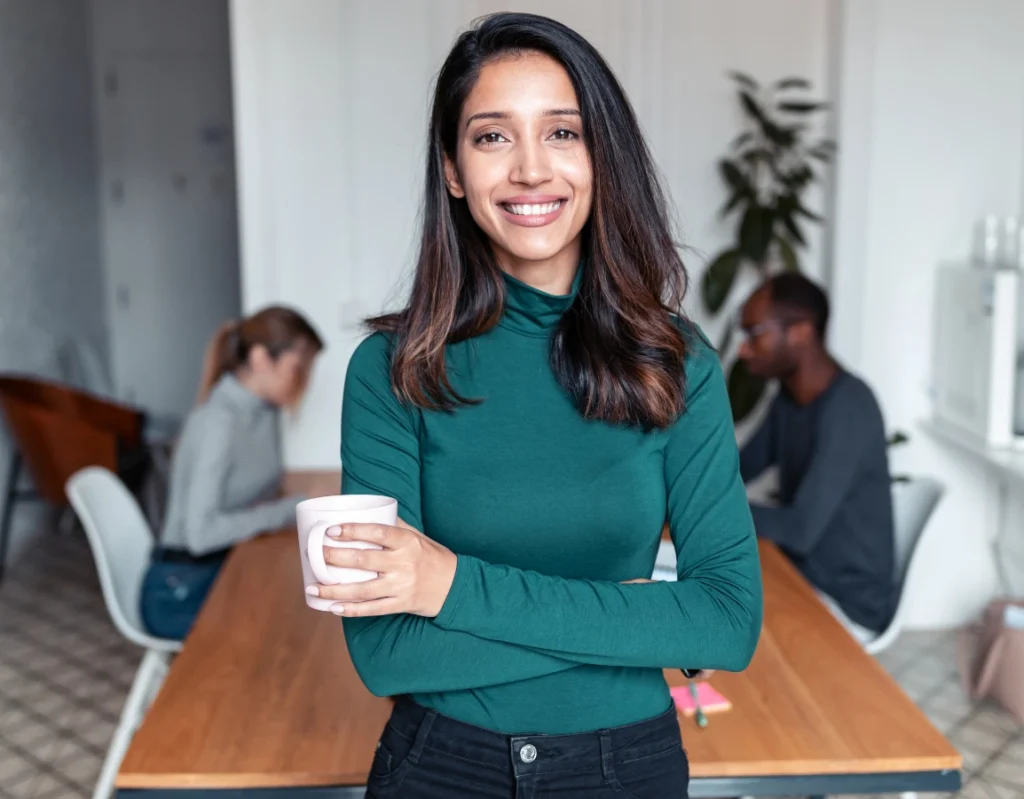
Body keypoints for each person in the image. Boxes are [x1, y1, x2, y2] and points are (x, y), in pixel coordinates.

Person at [307, 13, 762, 798]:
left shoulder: (677, 364)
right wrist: (637, 618)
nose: (529, 168)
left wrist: (446, 587)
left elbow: (726, 621)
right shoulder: (390, 371)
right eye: (491, 137)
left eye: (562, 132)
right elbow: (386, 653)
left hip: (628, 768)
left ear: (600, 157)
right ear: (453, 168)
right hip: (438, 768)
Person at [140, 306, 325, 640]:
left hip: (220, 566)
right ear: (259, 358)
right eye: (297, 369)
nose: (303, 383)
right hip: (180, 588)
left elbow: (260, 489)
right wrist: (291, 510)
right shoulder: (218, 423)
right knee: (289, 632)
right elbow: (200, 536)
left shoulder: (263, 410)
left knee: (304, 608)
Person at [736, 273, 896, 643]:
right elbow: (736, 470)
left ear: (801, 332)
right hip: (801, 574)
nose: (743, 349)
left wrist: (704, 510)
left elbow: (800, 530)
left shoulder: (851, 409)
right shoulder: (789, 401)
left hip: (846, 604)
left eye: (754, 333)